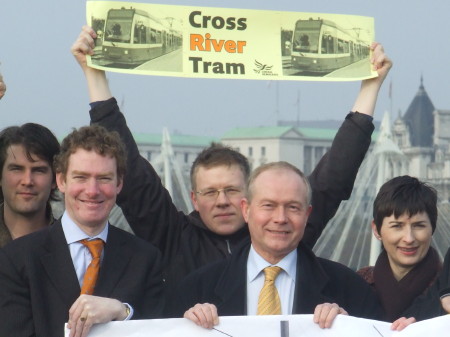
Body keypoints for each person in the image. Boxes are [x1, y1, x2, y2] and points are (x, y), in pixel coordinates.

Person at [71, 26, 392, 293]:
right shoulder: (173, 239)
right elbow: (135, 179)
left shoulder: (278, 233)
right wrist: (94, 76)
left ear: (249, 201)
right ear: (194, 199)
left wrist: (370, 88)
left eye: (231, 190)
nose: (222, 201)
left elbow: (332, 180)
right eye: (210, 192)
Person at [168, 162, 383, 327]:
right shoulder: (195, 291)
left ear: (307, 214)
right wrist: (184, 329)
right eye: (269, 206)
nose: (280, 218)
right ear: (246, 210)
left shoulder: (350, 291)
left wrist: (349, 330)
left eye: (292, 207)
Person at [0, 125, 164, 337]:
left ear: (119, 183)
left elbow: (160, 327)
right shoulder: (16, 259)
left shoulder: (146, 259)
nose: (92, 190)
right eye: (81, 177)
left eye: (104, 178)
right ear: (61, 180)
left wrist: (122, 311)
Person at [357, 176, 441, 321]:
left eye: (419, 225)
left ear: (432, 228)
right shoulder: (357, 284)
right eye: (397, 226)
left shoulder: (445, 288)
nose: (409, 238)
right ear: (376, 230)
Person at [0, 123, 60, 247]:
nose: (27, 181)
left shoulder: (72, 246)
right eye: (16, 169)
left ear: (55, 179)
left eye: (38, 170)